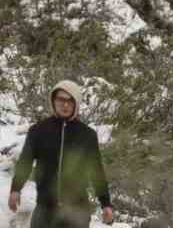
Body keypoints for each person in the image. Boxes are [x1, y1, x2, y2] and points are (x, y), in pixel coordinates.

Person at [7, 80, 114, 227]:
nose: (65, 105)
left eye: (70, 101)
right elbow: (25, 162)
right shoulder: (38, 130)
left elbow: (97, 171)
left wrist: (106, 203)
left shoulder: (87, 135)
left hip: (77, 212)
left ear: (76, 103)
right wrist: (15, 189)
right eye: (61, 99)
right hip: (45, 210)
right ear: (53, 100)